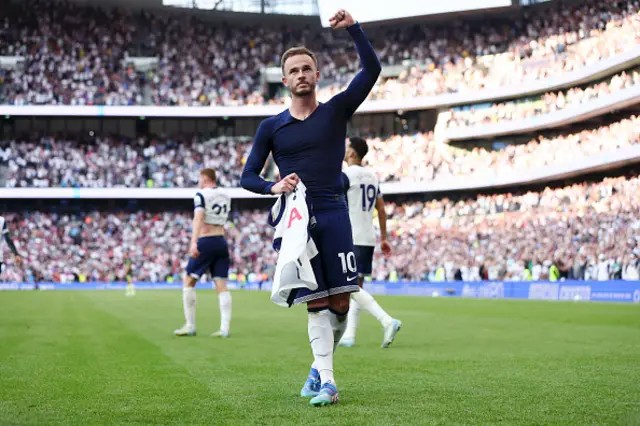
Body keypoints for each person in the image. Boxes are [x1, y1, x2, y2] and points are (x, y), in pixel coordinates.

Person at [240, 9, 381, 407]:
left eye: (307, 68)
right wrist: (273, 185)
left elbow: (371, 70)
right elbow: (247, 176)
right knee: (316, 302)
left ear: (317, 75)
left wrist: (354, 28)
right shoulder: (271, 127)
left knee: (340, 302)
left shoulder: (336, 111)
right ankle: (330, 383)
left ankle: (319, 368)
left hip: (336, 214)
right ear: (284, 81)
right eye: (294, 70)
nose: (301, 74)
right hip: (298, 223)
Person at [338, 137, 401, 348]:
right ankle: (349, 336)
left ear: (353, 153)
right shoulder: (373, 176)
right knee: (357, 287)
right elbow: (381, 210)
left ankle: (386, 320)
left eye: (347, 149)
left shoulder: (346, 175)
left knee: (348, 286)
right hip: (367, 237)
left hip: (350, 237)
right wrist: (384, 238)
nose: (344, 152)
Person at [174, 168, 233, 338]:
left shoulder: (201, 194)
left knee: (188, 280)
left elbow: (199, 218)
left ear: (205, 178)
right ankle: (224, 328)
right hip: (221, 240)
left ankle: (190, 325)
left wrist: (193, 242)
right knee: (221, 284)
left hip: (206, 241)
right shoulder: (226, 195)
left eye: (200, 178)